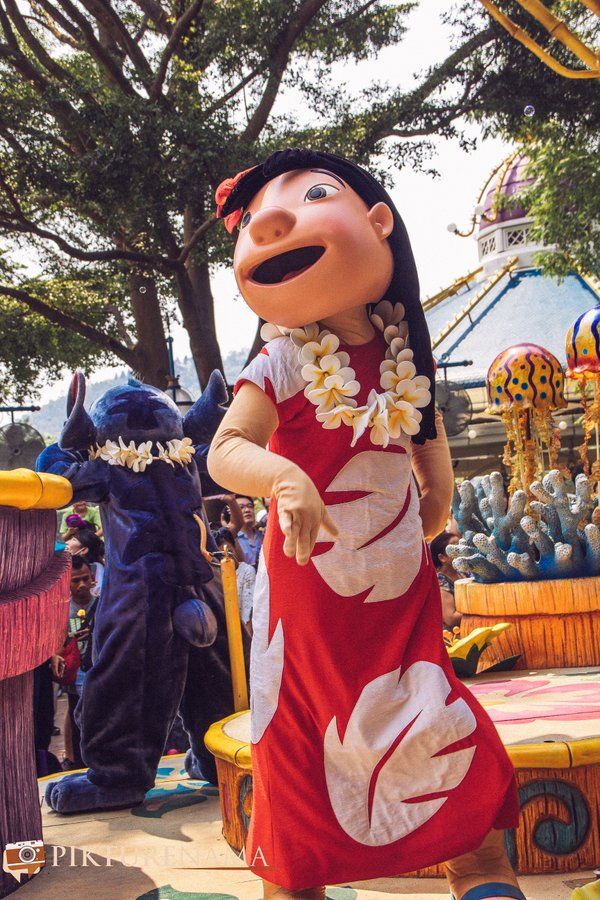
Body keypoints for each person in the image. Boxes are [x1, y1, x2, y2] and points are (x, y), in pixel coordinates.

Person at [208, 149, 523, 900]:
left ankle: (480, 872)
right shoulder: (283, 361)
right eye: (253, 222)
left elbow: (433, 472)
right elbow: (225, 451)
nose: (273, 225)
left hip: (397, 604)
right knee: (303, 768)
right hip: (309, 609)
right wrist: (286, 479)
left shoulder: (404, 354)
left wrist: (423, 525)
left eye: (313, 197)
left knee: (443, 737)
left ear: (379, 223)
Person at [52, 556, 98, 769]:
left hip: (98, 673)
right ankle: (79, 761)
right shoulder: (59, 610)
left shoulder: (102, 605)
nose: (81, 585)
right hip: (74, 677)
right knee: (76, 717)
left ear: (92, 579)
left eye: (85, 579)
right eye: (75, 580)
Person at [215, 527, 256, 632]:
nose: (226, 558)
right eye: (220, 556)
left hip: (242, 636)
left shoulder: (247, 572)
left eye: (229, 552)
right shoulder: (215, 576)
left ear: (235, 548)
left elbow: (247, 614)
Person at [430, 530, 462, 629]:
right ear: (442, 557)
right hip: (454, 639)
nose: (460, 549)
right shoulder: (440, 580)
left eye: (460, 545)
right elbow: (451, 619)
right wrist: (481, 608)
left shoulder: (463, 572)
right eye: (454, 547)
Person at [65, 528, 105, 597]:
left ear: (84, 550)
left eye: (73, 540)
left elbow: (99, 593)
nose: (67, 542)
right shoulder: (67, 565)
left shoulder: (97, 568)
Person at [235, 494, 264, 567]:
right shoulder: (232, 540)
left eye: (250, 506)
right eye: (241, 507)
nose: (247, 510)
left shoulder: (263, 535)